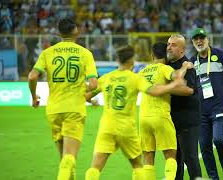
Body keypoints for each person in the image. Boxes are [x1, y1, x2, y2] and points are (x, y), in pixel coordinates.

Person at [84, 45, 184, 180]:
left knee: (96, 166)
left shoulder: (109, 77)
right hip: (133, 125)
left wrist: (93, 101)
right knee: (147, 162)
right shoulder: (135, 78)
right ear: (131, 61)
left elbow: (87, 95)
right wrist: (176, 81)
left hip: (112, 125)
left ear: (117, 60)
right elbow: (157, 90)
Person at [28, 17, 98, 180]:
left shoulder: (47, 52)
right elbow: (94, 84)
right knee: (69, 158)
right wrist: (81, 88)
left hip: (53, 110)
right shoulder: (85, 53)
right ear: (76, 32)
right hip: (74, 109)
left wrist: (34, 97)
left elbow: (32, 77)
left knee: (64, 160)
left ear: (59, 33)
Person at [139, 42, 194, 180]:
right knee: (170, 155)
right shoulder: (164, 68)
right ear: (166, 55)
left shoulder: (142, 71)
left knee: (147, 156)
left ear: (152, 55)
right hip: (160, 116)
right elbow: (177, 76)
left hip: (143, 118)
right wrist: (184, 67)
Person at [190, 28, 223, 180]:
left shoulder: (220, 55)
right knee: (204, 147)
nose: (199, 41)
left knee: (219, 139)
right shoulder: (191, 61)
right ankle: (213, 177)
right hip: (201, 112)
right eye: (196, 39)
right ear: (192, 42)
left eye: (201, 38)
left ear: (207, 39)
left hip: (219, 108)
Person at [167, 34, 202, 180]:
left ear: (182, 50)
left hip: (187, 119)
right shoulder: (166, 66)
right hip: (171, 119)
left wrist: (163, 88)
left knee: (190, 158)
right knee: (175, 160)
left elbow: (189, 90)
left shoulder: (188, 66)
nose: (169, 47)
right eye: (168, 44)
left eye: (173, 45)